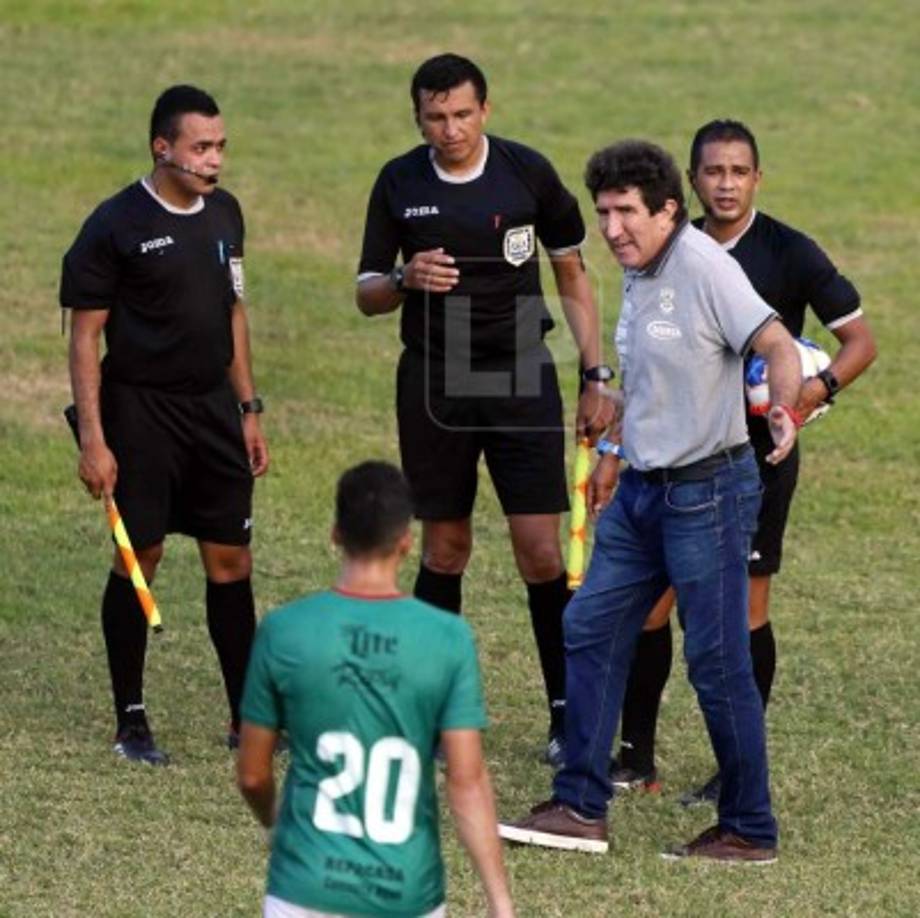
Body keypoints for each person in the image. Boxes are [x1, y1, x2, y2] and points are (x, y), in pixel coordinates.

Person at [498, 139, 803, 863]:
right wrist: (612, 451)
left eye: (626, 212)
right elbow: (648, 377)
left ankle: (749, 828)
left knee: (717, 661)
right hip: (642, 494)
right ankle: (579, 806)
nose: (611, 228)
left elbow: (777, 342)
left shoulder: (705, 267)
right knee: (590, 624)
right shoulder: (639, 270)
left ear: (667, 209)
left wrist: (785, 407)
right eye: (603, 212)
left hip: (709, 493)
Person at [355, 53, 613, 767]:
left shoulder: (528, 174)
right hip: (437, 378)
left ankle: (568, 714)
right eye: (435, 117)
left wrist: (597, 374)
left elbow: (571, 273)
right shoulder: (399, 182)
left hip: (520, 370)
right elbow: (367, 290)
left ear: (486, 111)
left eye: (462, 114)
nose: (450, 129)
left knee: (539, 549)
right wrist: (405, 279)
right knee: (445, 547)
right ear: (418, 118)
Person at [610, 120, 877, 804]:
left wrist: (816, 390)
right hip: (676, 456)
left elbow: (859, 341)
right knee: (649, 605)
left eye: (738, 171)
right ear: (691, 182)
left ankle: (735, 769)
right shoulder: (673, 249)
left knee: (738, 613)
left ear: (758, 177)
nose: (725, 184)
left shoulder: (790, 252)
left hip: (758, 459)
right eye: (713, 172)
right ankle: (635, 756)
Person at [61, 84, 269, 765]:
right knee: (139, 556)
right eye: (200, 147)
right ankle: (132, 720)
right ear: (163, 148)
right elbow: (84, 338)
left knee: (230, 560)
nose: (214, 160)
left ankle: (248, 719)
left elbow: (233, 314)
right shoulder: (114, 225)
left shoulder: (226, 215)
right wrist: (94, 438)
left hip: (213, 410)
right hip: (141, 412)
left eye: (220, 146)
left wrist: (248, 409)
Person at [237, 461, 514, 918]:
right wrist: (500, 903)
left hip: (303, 889)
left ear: (335, 534)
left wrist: (275, 823)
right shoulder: (446, 638)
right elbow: (466, 781)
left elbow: (252, 774)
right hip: (408, 893)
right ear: (407, 541)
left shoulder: (285, 631)